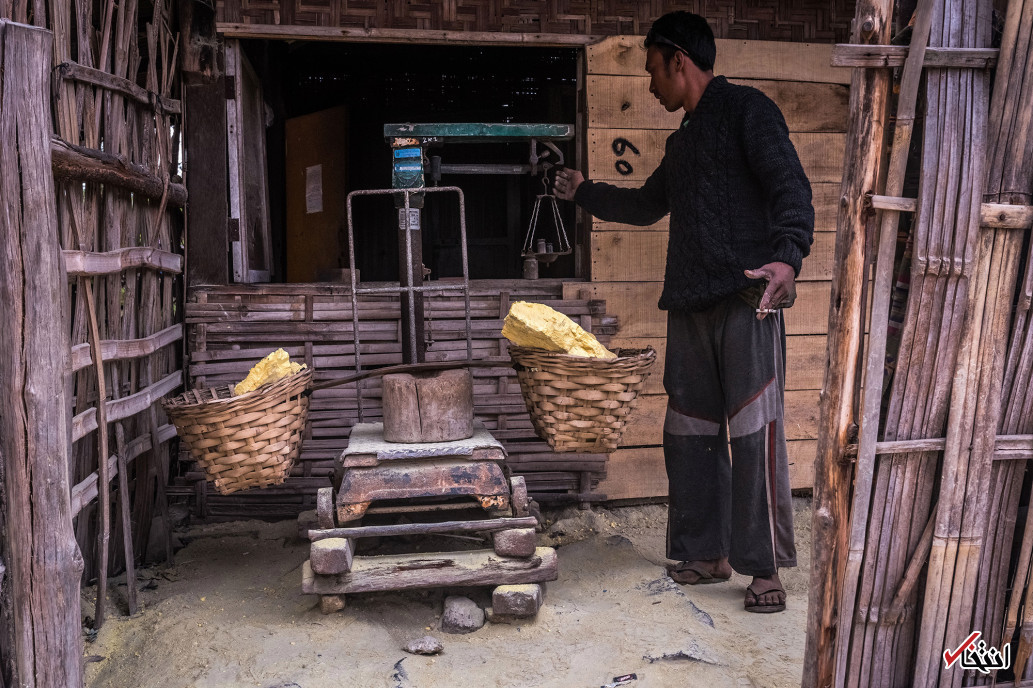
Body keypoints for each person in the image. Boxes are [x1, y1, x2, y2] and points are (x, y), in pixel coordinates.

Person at [553, 11, 813, 613]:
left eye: (652, 71)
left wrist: (789, 259)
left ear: (678, 60)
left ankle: (763, 568)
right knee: (688, 434)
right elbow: (646, 205)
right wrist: (584, 190)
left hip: (751, 299)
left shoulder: (750, 111)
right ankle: (705, 552)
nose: (649, 86)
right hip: (691, 305)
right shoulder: (684, 142)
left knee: (754, 435)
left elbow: (790, 188)